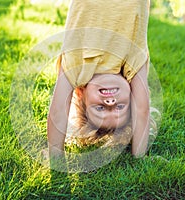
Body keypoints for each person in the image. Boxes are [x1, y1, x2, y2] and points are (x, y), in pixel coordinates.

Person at [47, 0, 154, 160]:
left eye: (100, 109)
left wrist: (55, 157)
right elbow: (142, 110)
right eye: (119, 107)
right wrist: (139, 157)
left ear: (82, 95)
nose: (110, 103)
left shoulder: (76, 66)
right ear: (131, 98)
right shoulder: (133, 62)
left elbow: (57, 112)